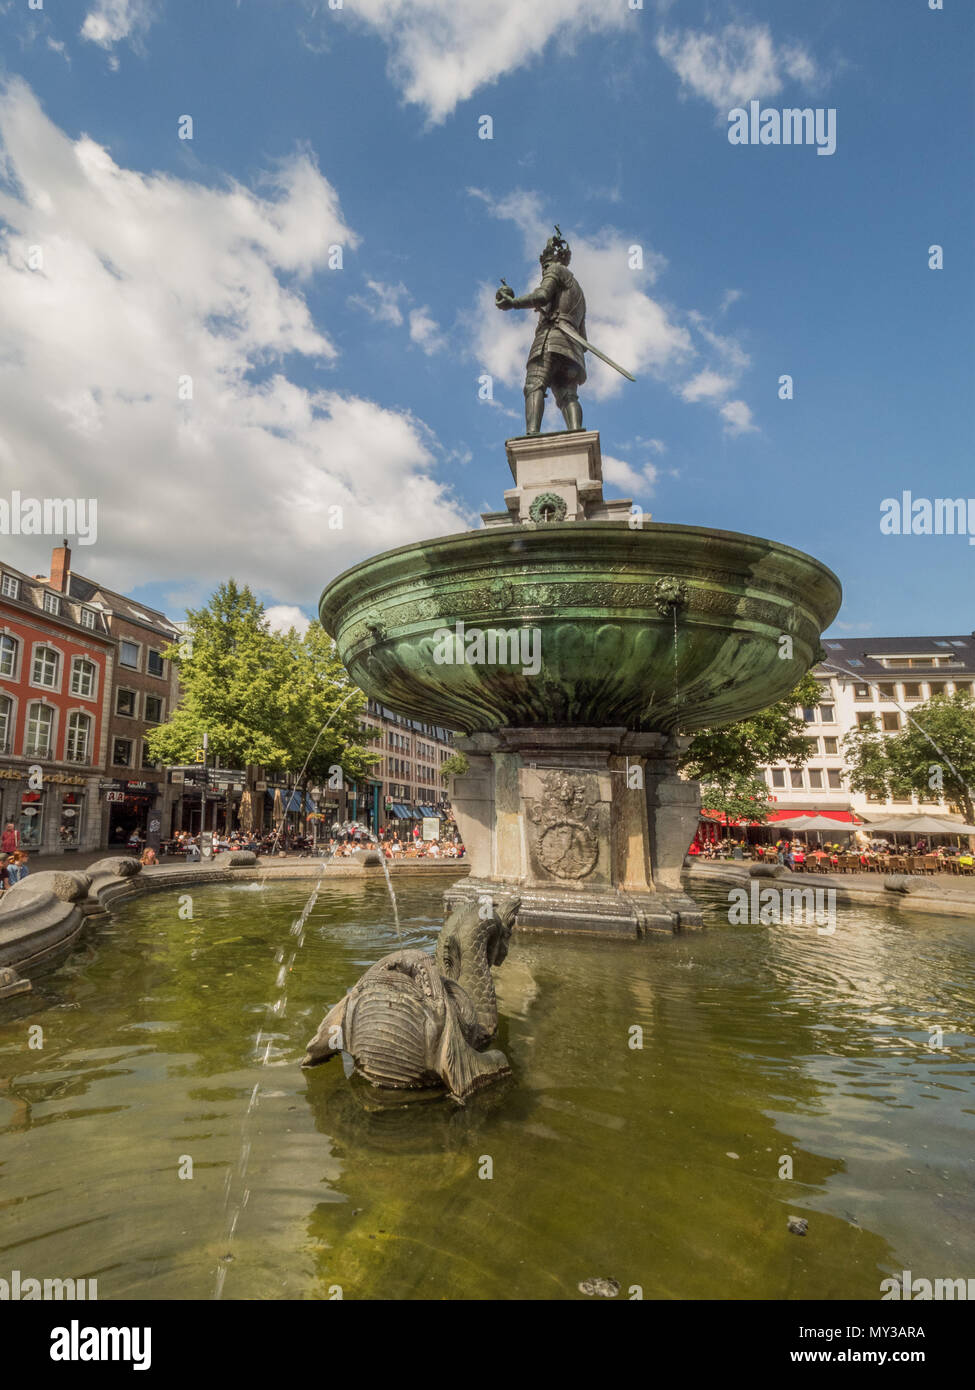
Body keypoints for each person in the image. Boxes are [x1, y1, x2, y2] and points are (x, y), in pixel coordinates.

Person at [496, 227, 588, 435]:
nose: (545, 272)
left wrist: (513, 302)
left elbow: (542, 295)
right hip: (573, 350)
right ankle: (575, 434)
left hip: (550, 340)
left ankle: (532, 435)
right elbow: (584, 339)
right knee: (568, 396)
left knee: (534, 385)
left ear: (552, 262)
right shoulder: (580, 294)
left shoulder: (555, 270)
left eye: (545, 267)